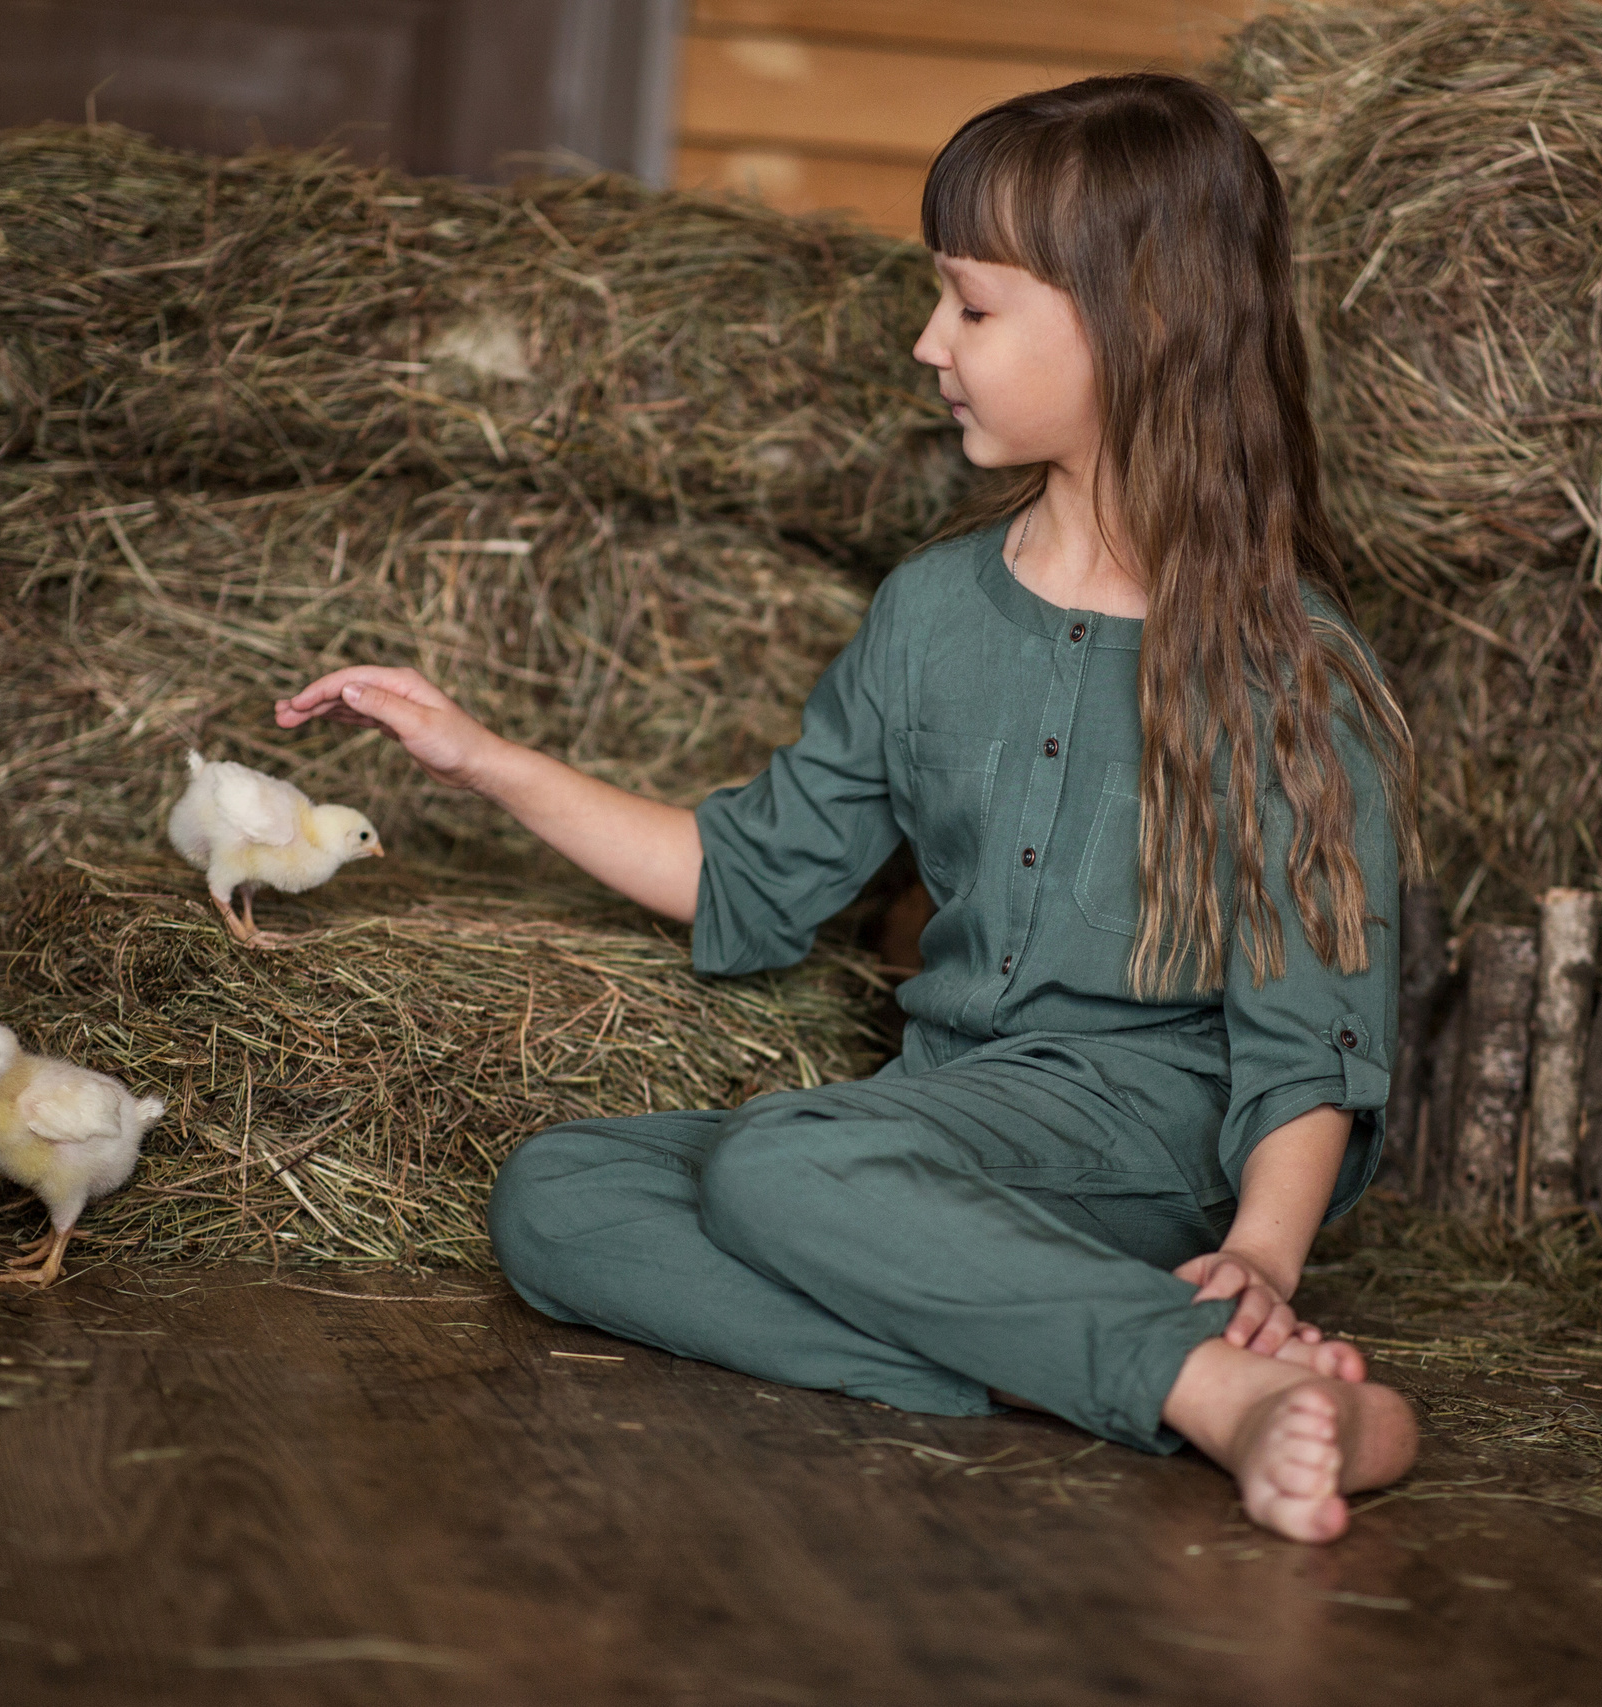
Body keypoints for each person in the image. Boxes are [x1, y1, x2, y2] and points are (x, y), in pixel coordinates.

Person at [275, 72, 1420, 1543]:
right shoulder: (930, 612)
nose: (931, 341)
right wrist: (479, 756)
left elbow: (1312, 1025)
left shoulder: (1287, 664)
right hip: (924, 1131)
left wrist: (1262, 1255)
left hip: (1141, 1157)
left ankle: (1195, 1373)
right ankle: (1089, 1364)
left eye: (973, 305)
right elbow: (745, 875)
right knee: (558, 1194)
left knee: (788, 1159)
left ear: (1135, 321)